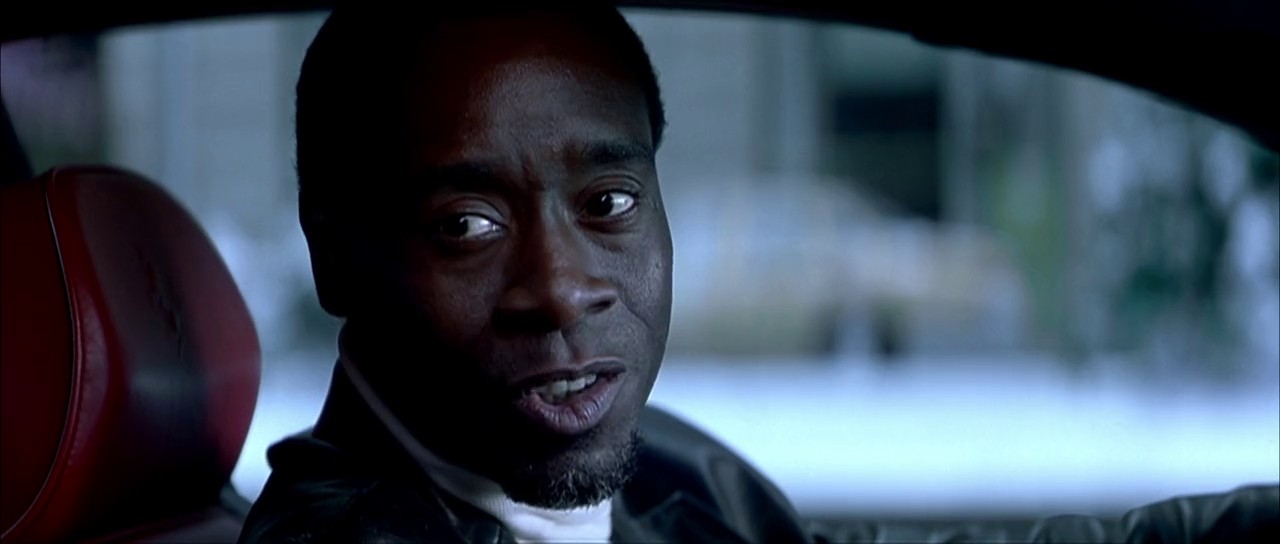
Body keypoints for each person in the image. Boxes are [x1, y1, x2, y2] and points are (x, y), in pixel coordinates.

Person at [240, 2, 1278, 542]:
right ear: (334, 254)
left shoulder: (662, 470)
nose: (559, 288)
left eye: (608, 204)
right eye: (467, 224)